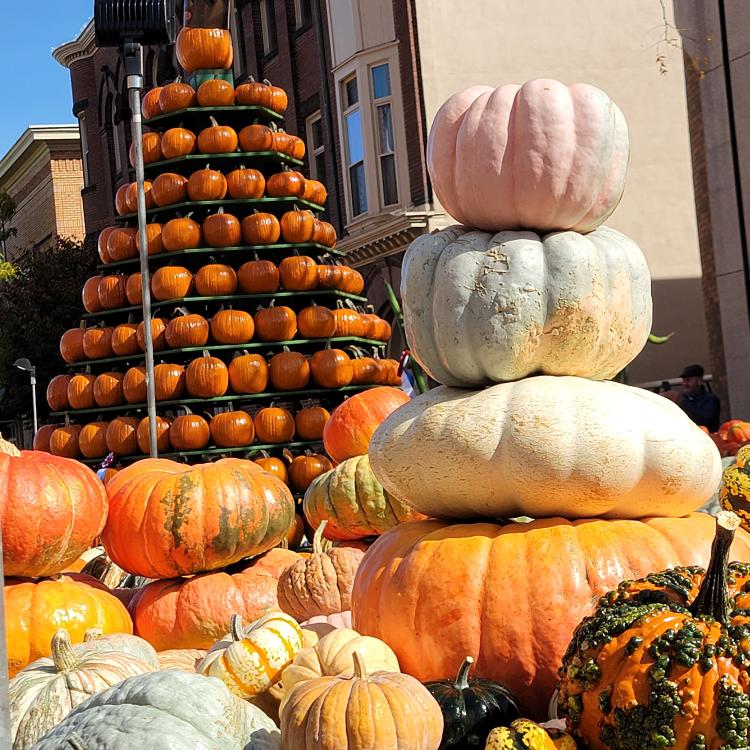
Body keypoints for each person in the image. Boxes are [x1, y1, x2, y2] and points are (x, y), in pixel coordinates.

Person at [678, 364, 720, 432]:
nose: (685, 384)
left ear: (699, 381)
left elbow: (701, 421)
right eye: (684, 380)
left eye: (688, 380)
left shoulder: (710, 400)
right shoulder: (683, 399)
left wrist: (680, 401)